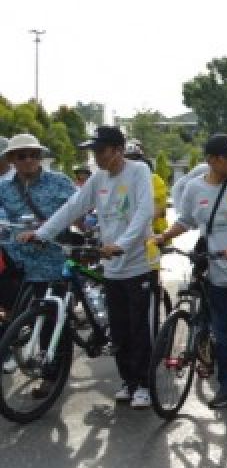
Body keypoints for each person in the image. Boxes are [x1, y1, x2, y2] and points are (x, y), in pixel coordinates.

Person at [25, 126, 157, 409]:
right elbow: (72, 208)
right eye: (93, 152)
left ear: (118, 150)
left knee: (137, 328)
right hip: (111, 266)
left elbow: (144, 212)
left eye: (101, 151)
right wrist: (42, 234)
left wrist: (122, 243)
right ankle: (128, 382)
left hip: (136, 263)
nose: (96, 157)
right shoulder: (98, 179)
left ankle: (144, 384)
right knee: (119, 329)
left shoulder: (138, 172)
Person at [157, 135, 227, 408]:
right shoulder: (194, 189)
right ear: (211, 160)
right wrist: (164, 237)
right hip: (218, 275)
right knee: (223, 335)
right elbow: (186, 220)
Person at [0, 134, 76, 394]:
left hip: (51, 262)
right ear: (11, 159)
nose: (29, 160)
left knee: (51, 319)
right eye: (22, 155)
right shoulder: (3, 188)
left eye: (34, 154)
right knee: (10, 317)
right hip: (16, 263)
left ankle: (52, 374)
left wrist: (56, 226)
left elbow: (80, 210)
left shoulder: (60, 183)